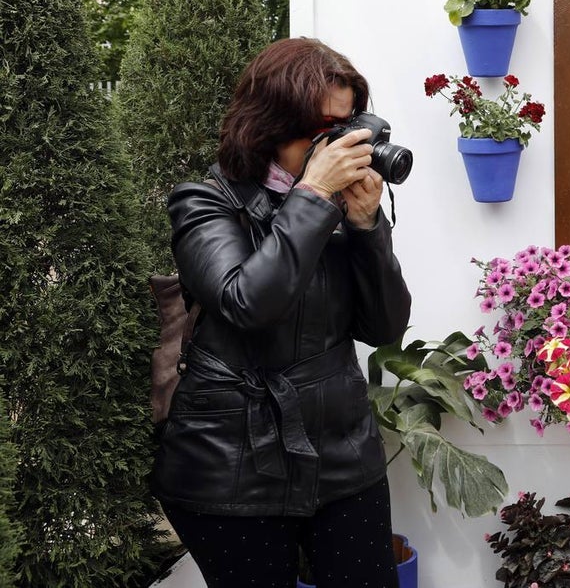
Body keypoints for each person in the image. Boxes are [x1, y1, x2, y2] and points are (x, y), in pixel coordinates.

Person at [150, 38, 412, 588]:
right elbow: (247, 302)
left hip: (341, 451)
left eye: (344, 126)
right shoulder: (204, 200)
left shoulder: (333, 208)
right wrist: (315, 192)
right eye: (322, 129)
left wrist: (367, 229)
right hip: (230, 464)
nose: (336, 144)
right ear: (271, 121)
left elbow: (384, 328)